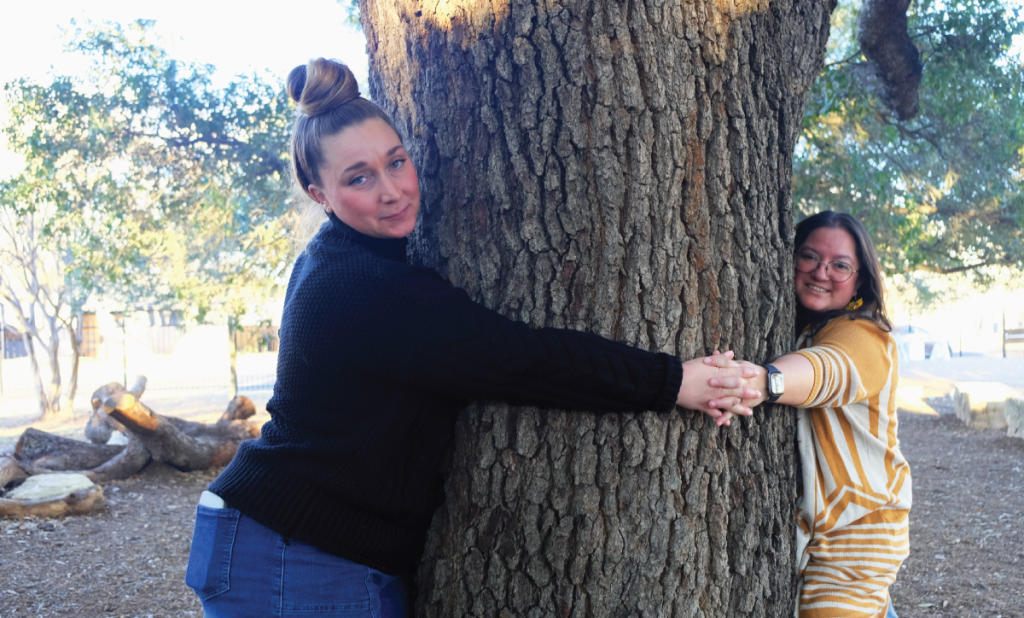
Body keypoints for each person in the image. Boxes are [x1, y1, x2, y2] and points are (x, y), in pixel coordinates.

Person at [184, 57, 760, 617]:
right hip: (294, 553)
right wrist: (672, 381)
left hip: (303, 544)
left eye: (396, 162)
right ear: (320, 195)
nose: (391, 189)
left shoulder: (349, 260)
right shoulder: (362, 284)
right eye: (359, 178)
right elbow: (520, 358)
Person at [714, 211, 911, 618]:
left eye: (840, 265)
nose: (822, 272)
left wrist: (765, 382)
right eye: (809, 256)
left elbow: (829, 370)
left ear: (860, 279)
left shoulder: (866, 336)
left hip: (856, 538)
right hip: (827, 532)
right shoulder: (807, 328)